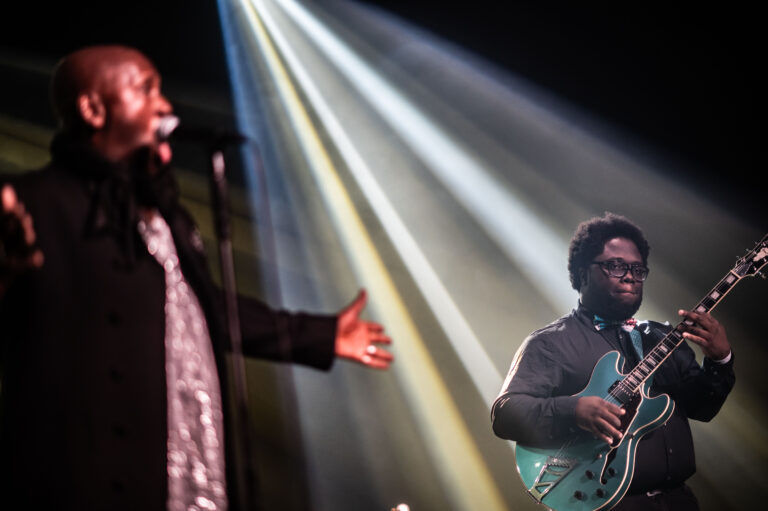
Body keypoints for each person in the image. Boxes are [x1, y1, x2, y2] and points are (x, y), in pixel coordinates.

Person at [0, 45, 393, 511]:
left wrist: (320, 334)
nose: (164, 105)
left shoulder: (161, 216)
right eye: (146, 88)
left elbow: (205, 311)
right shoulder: (30, 204)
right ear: (92, 108)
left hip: (179, 476)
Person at [491, 212, 734, 511]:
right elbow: (505, 415)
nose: (630, 275)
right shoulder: (551, 343)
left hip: (679, 502)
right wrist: (573, 410)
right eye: (615, 266)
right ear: (582, 274)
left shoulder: (663, 337)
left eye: (637, 268)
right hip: (602, 504)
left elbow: (703, 407)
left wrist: (720, 360)